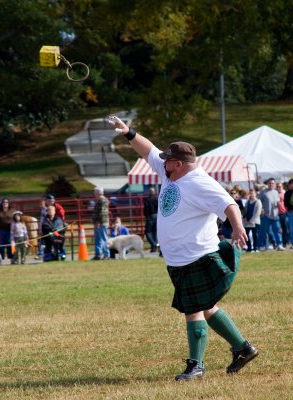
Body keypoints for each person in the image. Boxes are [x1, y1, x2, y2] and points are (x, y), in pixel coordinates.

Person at [109, 115, 258, 381]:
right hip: (179, 260)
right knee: (207, 307)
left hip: (198, 257)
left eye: (167, 160)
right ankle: (243, 348)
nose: (161, 161)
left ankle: (196, 366)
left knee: (194, 310)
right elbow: (149, 151)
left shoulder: (199, 182)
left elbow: (229, 203)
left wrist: (237, 227)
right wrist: (129, 133)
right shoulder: (171, 174)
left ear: (178, 164)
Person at [257, 178, 284, 251]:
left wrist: (278, 205)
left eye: (272, 183)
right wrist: (261, 209)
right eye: (270, 183)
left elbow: (277, 202)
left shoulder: (276, 192)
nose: (271, 184)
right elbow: (258, 202)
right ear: (267, 184)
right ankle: (260, 246)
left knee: (277, 230)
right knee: (263, 231)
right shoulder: (263, 192)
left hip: (275, 215)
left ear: (274, 184)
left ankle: (279, 245)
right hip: (266, 215)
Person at [92, 187, 110, 260]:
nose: (94, 194)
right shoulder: (100, 201)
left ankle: (106, 254)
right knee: (98, 239)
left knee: (103, 239)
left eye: (95, 193)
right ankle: (98, 254)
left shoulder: (103, 201)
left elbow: (103, 213)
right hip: (98, 223)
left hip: (101, 223)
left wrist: (99, 222)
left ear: (98, 193)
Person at [143, 187, 158, 252]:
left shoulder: (146, 199)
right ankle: (154, 247)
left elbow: (146, 209)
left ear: (149, 192)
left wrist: (146, 216)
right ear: (154, 192)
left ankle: (154, 244)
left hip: (150, 216)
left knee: (147, 232)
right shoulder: (157, 198)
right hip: (157, 215)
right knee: (155, 232)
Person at [276, 182, 288, 247]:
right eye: (277, 186)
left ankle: (285, 242)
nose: (278, 188)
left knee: (285, 228)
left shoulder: (284, 193)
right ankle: (279, 243)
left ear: (282, 187)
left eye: (279, 186)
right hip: (276, 214)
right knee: (277, 229)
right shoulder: (274, 194)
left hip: (284, 213)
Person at [284, 178, 293, 249]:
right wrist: (287, 211)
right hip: (290, 213)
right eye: (291, 184)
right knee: (291, 228)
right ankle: (292, 243)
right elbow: (285, 204)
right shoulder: (287, 193)